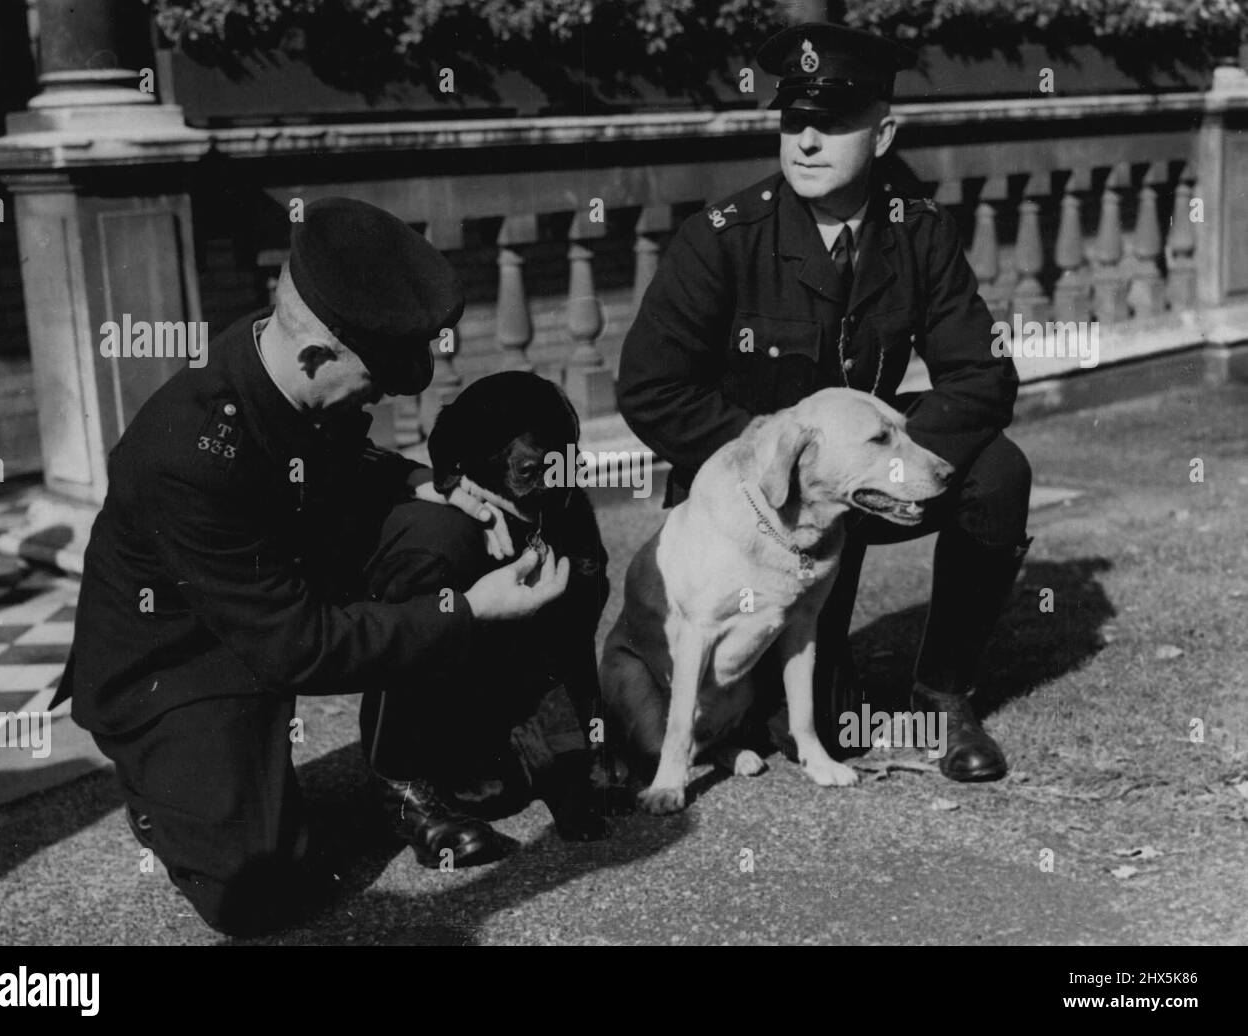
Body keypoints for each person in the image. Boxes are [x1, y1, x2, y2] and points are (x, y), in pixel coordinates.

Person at [55, 197, 570, 936]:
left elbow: (335, 459)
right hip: (181, 662)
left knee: (440, 533)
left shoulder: (283, 366)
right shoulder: (185, 453)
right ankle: (166, 789)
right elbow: (297, 645)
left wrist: (423, 480)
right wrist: (471, 609)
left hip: (271, 590)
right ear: (316, 357)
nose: (386, 396)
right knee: (257, 890)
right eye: (374, 383)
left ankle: (402, 773)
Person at [616, 21, 1033, 783]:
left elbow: (984, 374)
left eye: (833, 122)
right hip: (755, 508)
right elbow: (650, 387)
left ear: (882, 133)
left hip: (865, 486)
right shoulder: (721, 239)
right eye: (793, 121)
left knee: (997, 474)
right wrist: (778, 454)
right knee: (828, 729)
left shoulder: (920, 233)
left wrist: (886, 465)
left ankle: (942, 693)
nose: (807, 141)